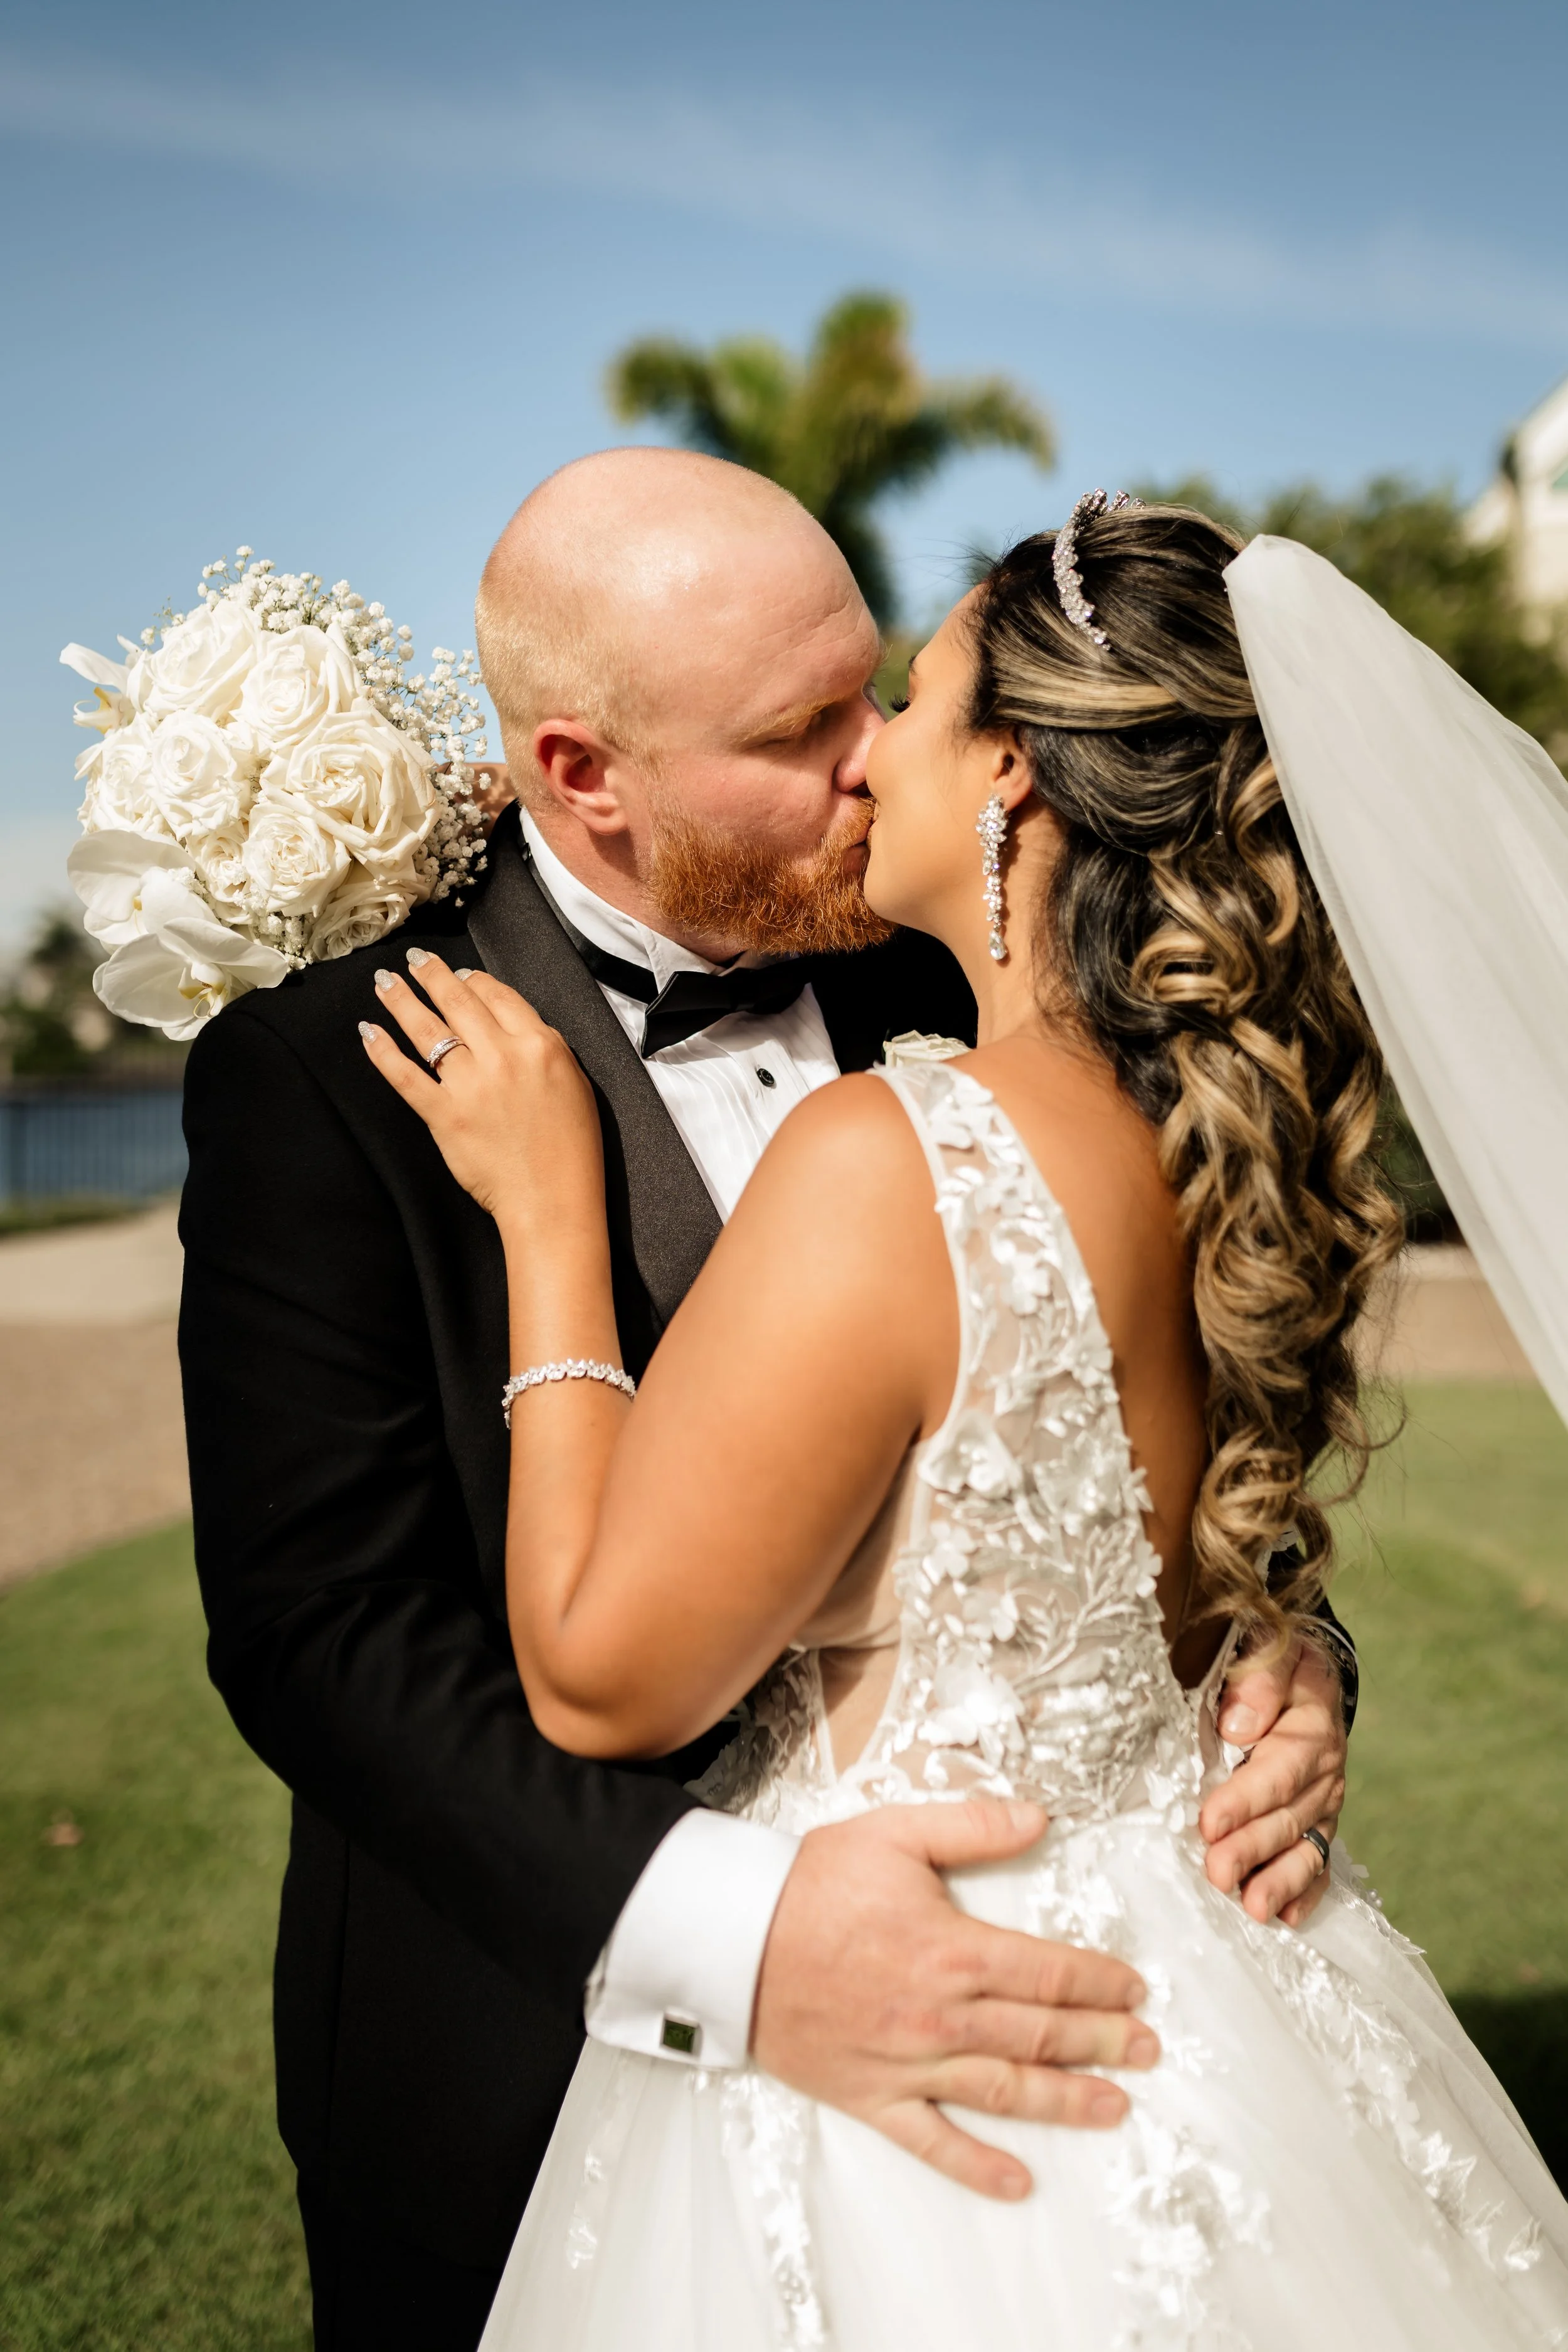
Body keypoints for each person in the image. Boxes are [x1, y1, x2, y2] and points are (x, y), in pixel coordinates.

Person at [361, 490, 1568, 2349]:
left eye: (908, 701)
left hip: (940, 2050)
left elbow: (603, 1682)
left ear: (1011, 775)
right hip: (1218, 1990)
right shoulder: (1211, 1140)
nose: (866, 759)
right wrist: (1282, 1644)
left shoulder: (890, 1155)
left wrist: (548, 1229)